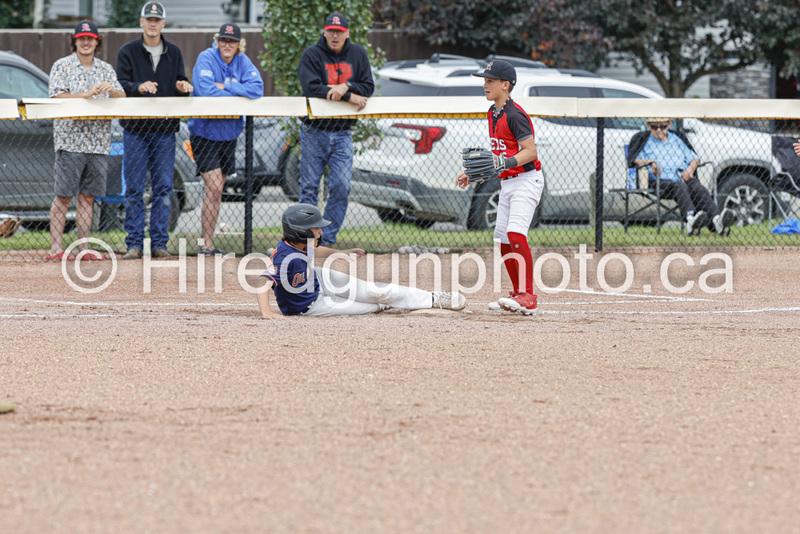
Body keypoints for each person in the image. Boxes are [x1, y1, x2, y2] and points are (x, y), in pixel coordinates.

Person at [256, 204, 467, 318]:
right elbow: (262, 283)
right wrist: (267, 313)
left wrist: (342, 252)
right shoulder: (285, 256)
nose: (320, 230)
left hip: (318, 279)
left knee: (375, 291)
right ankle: (385, 306)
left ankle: (434, 298)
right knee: (371, 308)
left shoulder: (304, 243)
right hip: (309, 306)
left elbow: (315, 252)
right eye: (315, 227)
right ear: (300, 231)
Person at [456, 60, 544, 316]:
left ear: (505, 85)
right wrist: (473, 174)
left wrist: (506, 162)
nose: (485, 85)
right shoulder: (493, 113)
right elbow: (498, 156)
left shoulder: (515, 114)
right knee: (503, 240)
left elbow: (530, 152)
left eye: (490, 81)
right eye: (485, 80)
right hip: (508, 182)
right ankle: (518, 294)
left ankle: (529, 296)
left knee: (516, 234)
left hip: (527, 180)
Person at [116, 2, 193, 260]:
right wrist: (139, 86)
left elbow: (180, 80)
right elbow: (122, 84)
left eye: (156, 20)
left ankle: (159, 243)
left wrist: (183, 85)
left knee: (163, 187)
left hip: (164, 129)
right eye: (148, 19)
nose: (152, 23)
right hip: (135, 129)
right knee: (135, 188)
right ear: (141, 22)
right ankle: (134, 244)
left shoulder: (174, 52)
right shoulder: (128, 51)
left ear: (163, 24)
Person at [46, 20, 125, 262]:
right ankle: (55, 249)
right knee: (63, 196)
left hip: (98, 142)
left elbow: (122, 95)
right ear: (75, 40)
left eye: (90, 38)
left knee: (88, 197)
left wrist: (111, 91)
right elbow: (57, 95)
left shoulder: (105, 68)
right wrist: (86, 95)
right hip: (70, 141)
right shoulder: (62, 65)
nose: (86, 42)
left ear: (97, 41)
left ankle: (83, 248)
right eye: (82, 38)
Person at [297, 12, 375, 246]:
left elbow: (368, 86)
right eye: (331, 30)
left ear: (347, 33)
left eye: (339, 32)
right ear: (324, 31)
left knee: (341, 185)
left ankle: (326, 240)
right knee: (309, 188)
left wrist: (345, 86)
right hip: (314, 131)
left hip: (343, 133)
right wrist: (349, 95)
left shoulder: (358, 54)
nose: (334, 35)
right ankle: (306, 240)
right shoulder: (312, 54)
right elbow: (311, 87)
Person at [188, 22, 263, 255]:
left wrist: (227, 85)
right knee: (215, 187)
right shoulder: (207, 57)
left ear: (239, 44)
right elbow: (204, 90)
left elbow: (257, 88)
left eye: (231, 41)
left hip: (229, 134)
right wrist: (238, 90)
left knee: (216, 191)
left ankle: (207, 245)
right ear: (217, 41)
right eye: (223, 40)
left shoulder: (243, 61)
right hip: (204, 133)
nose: (227, 45)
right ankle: (206, 244)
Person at [628, 118, 734, 236]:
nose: (658, 130)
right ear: (648, 125)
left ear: (668, 125)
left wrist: (690, 169)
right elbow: (634, 160)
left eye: (662, 126)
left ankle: (717, 221)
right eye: (654, 126)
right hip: (660, 181)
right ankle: (690, 220)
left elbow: (695, 158)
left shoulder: (677, 139)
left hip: (683, 177)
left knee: (697, 187)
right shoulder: (644, 140)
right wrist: (650, 162)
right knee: (679, 186)